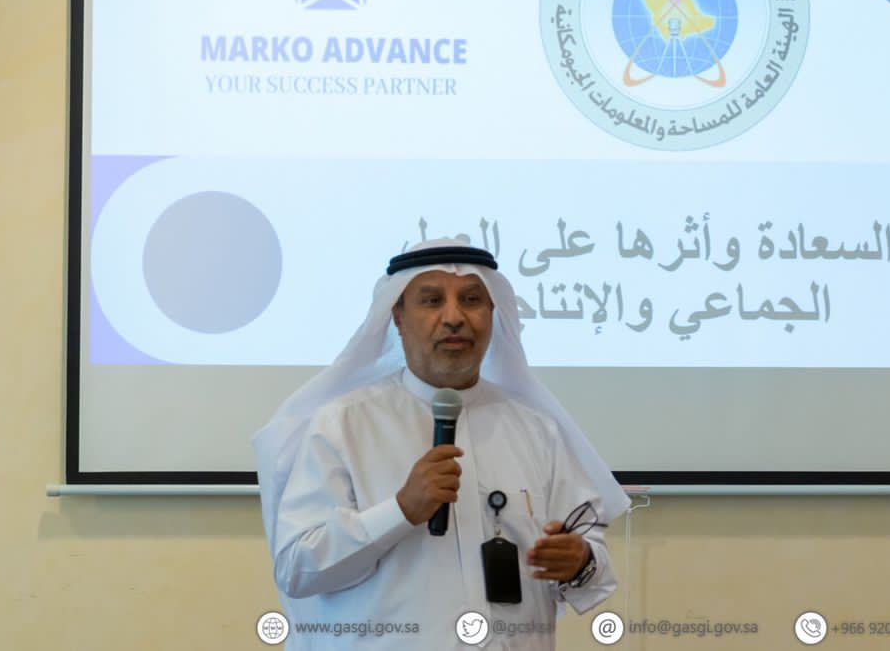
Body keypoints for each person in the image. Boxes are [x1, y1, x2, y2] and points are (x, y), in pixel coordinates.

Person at [253, 240, 629, 648]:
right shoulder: (343, 425)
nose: (454, 318)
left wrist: (579, 560)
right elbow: (297, 568)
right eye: (432, 301)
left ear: (492, 313)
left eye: (471, 300)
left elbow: (592, 562)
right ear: (398, 317)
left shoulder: (536, 430)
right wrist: (400, 510)